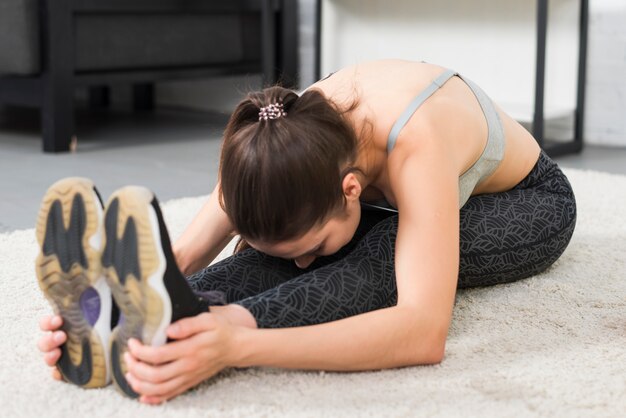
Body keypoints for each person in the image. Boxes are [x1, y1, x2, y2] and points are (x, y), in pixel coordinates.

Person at [36, 59, 576, 404]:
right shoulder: (279, 140)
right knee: (283, 240)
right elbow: (182, 251)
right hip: (366, 199)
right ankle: (175, 315)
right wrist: (103, 304)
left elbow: (422, 331)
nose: (302, 263)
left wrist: (238, 346)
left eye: (310, 247)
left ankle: (214, 326)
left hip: (527, 203)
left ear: (349, 188)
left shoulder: (417, 143)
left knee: (380, 249)